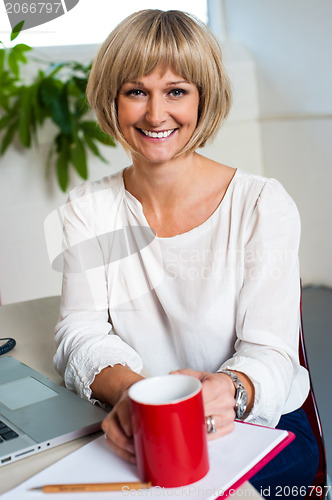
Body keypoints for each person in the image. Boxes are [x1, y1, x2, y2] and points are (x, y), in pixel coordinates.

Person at [53, 9, 319, 497]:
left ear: (203, 99)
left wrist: (229, 391)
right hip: (141, 420)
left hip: (259, 423)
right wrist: (135, 396)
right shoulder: (86, 210)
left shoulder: (262, 204)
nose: (156, 115)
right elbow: (80, 330)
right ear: (112, 99)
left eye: (176, 91)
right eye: (137, 91)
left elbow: (271, 352)